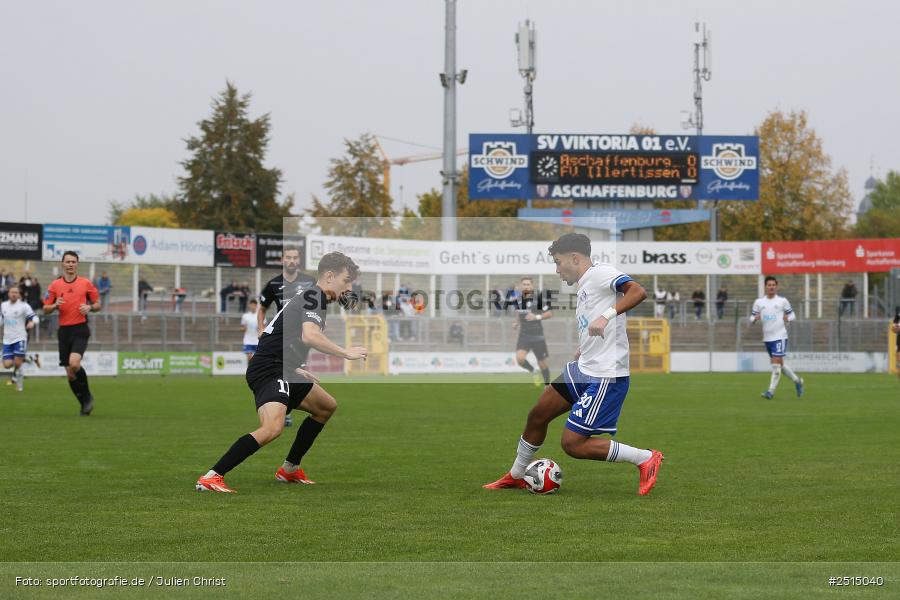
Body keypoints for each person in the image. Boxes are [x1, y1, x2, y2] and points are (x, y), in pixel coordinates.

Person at [483, 233, 664, 496]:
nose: (557, 270)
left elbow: (638, 291)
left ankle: (645, 458)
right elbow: (593, 323)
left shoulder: (600, 273)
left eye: (558, 262)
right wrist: (584, 346)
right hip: (583, 368)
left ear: (575, 258)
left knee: (573, 444)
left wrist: (605, 316)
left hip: (605, 375)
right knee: (538, 415)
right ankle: (517, 474)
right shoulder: (585, 284)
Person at [195, 252, 368, 494]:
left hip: (283, 367)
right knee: (272, 428)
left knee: (326, 407)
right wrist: (345, 353)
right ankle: (212, 477)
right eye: (346, 281)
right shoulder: (314, 296)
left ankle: (289, 469)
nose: (348, 288)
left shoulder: (312, 296)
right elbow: (310, 336)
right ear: (329, 276)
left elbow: (283, 334)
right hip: (268, 369)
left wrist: (294, 367)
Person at [257, 246, 316, 427]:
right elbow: (262, 309)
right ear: (282, 260)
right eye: (288, 257)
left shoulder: (309, 282)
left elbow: (317, 306)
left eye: (295, 257)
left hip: (302, 337)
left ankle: (287, 408)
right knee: (286, 372)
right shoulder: (273, 284)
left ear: (299, 260)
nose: (292, 260)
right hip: (281, 336)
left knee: (297, 373)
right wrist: (261, 328)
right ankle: (283, 410)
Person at [43, 251, 101, 415]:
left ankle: (87, 396)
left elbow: (98, 305)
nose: (70, 264)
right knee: (70, 374)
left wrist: (90, 307)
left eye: (73, 262)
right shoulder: (54, 285)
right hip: (64, 331)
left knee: (74, 363)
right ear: (62, 264)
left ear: (77, 264)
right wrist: (55, 305)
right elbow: (45, 308)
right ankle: (84, 404)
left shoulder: (85, 283)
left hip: (80, 329)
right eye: (67, 261)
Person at [750, 276, 804, 399]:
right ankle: (798, 381)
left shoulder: (782, 301)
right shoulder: (759, 302)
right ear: (765, 286)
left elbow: (793, 315)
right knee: (780, 364)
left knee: (775, 365)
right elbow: (752, 318)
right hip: (767, 338)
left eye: (773, 285)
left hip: (780, 336)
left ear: (776, 286)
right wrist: (754, 319)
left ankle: (770, 392)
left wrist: (787, 318)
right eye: (769, 285)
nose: (771, 287)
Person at [512, 276, 553, 387]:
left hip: (537, 336)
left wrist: (536, 317)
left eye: (528, 284)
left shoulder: (538, 299)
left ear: (532, 286)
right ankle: (533, 371)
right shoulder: (518, 300)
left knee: (542, 363)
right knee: (520, 359)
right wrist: (516, 322)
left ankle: (547, 385)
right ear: (521, 286)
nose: (526, 286)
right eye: (524, 284)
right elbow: (518, 313)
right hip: (524, 335)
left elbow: (549, 313)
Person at [2, 286, 40, 391]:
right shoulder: (3, 305)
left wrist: (32, 322)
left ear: (18, 294)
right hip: (7, 339)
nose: (14, 294)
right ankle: (32, 358)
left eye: (16, 292)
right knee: (7, 365)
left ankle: (19, 384)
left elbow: (35, 317)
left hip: (20, 337)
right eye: (12, 292)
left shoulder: (24, 306)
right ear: (8, 293)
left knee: (18, 363)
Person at [892, 307, 900, 383]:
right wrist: (895, 328)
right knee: (898, 355)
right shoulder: (898, 314)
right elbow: (894, 328)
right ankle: (899, 375)